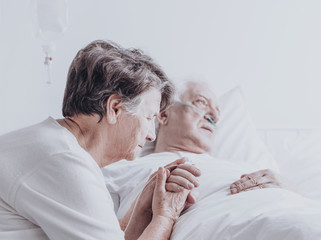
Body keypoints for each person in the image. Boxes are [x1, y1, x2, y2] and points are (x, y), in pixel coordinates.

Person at [0, 40, 200, 240]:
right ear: (114, 108)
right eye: (148, 118)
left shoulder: (52, 145)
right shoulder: (64, 162)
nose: (151, 135)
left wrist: (144, 208)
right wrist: (166, 216)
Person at [110, 81, 301, 237]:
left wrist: (291, 187)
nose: (215, 116)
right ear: (163, 114)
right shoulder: (122, 168)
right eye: (201, 102)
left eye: (218, 111)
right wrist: (151, 212)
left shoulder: (245, 166)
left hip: (301, 219)